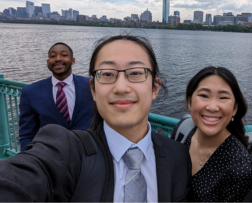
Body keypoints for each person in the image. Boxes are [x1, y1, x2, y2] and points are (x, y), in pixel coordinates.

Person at [1, 35, 191, 202]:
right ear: (93, 89)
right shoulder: (65, 152)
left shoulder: (179, 156)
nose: (121, 87)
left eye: (135, 73)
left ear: (155, 88)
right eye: (107, 74)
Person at [171, 66, 252, 202]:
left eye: (223, 97)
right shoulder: (182, 130)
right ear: (190, 102)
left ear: (235, 109)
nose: (212, 107)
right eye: (204, 95)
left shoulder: (239, 168)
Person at [18, 42, 94, 151]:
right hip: (52, 156)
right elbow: (27, 134)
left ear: (73, 61)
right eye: (53, 56)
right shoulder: (30, 92)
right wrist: (27, 161)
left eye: (64, 55)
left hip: (89, 152)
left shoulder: (91, 85)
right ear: (48, 62)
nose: (58, 59)